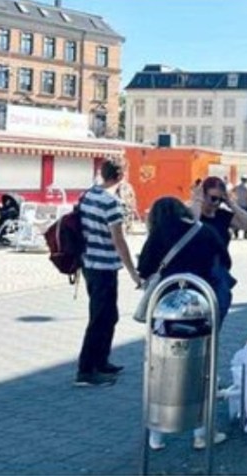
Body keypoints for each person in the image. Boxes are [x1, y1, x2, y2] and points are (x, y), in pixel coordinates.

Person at [139, 197, 229, 450]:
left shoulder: (158, 234)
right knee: (202, 367)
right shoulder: (204, 232)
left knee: (161, 365)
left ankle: (156, 434)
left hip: (166, 308)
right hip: (200, 304)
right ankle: (202, 433)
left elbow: (144, 267)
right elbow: (225, 261)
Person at [75, 161, 140, 388]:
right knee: (100, 318)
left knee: (108, 315)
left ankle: (101, 361)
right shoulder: (112, 203)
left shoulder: (88, 196)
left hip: (88, 263)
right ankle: (86, 370)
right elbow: (118, 240)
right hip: (104, 266)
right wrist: (133, 272)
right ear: (121, 177)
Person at [191, 177, 247, 320]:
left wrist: (231, 203)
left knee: (217, 311)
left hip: (218, 270)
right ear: (203, 194)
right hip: (194, 269)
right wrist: (197, 201)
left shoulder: (222, 215)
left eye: (220, 199)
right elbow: (191, 226)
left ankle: (211, 340)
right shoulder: (193, 213)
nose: (216, 203)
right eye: (213, 198)